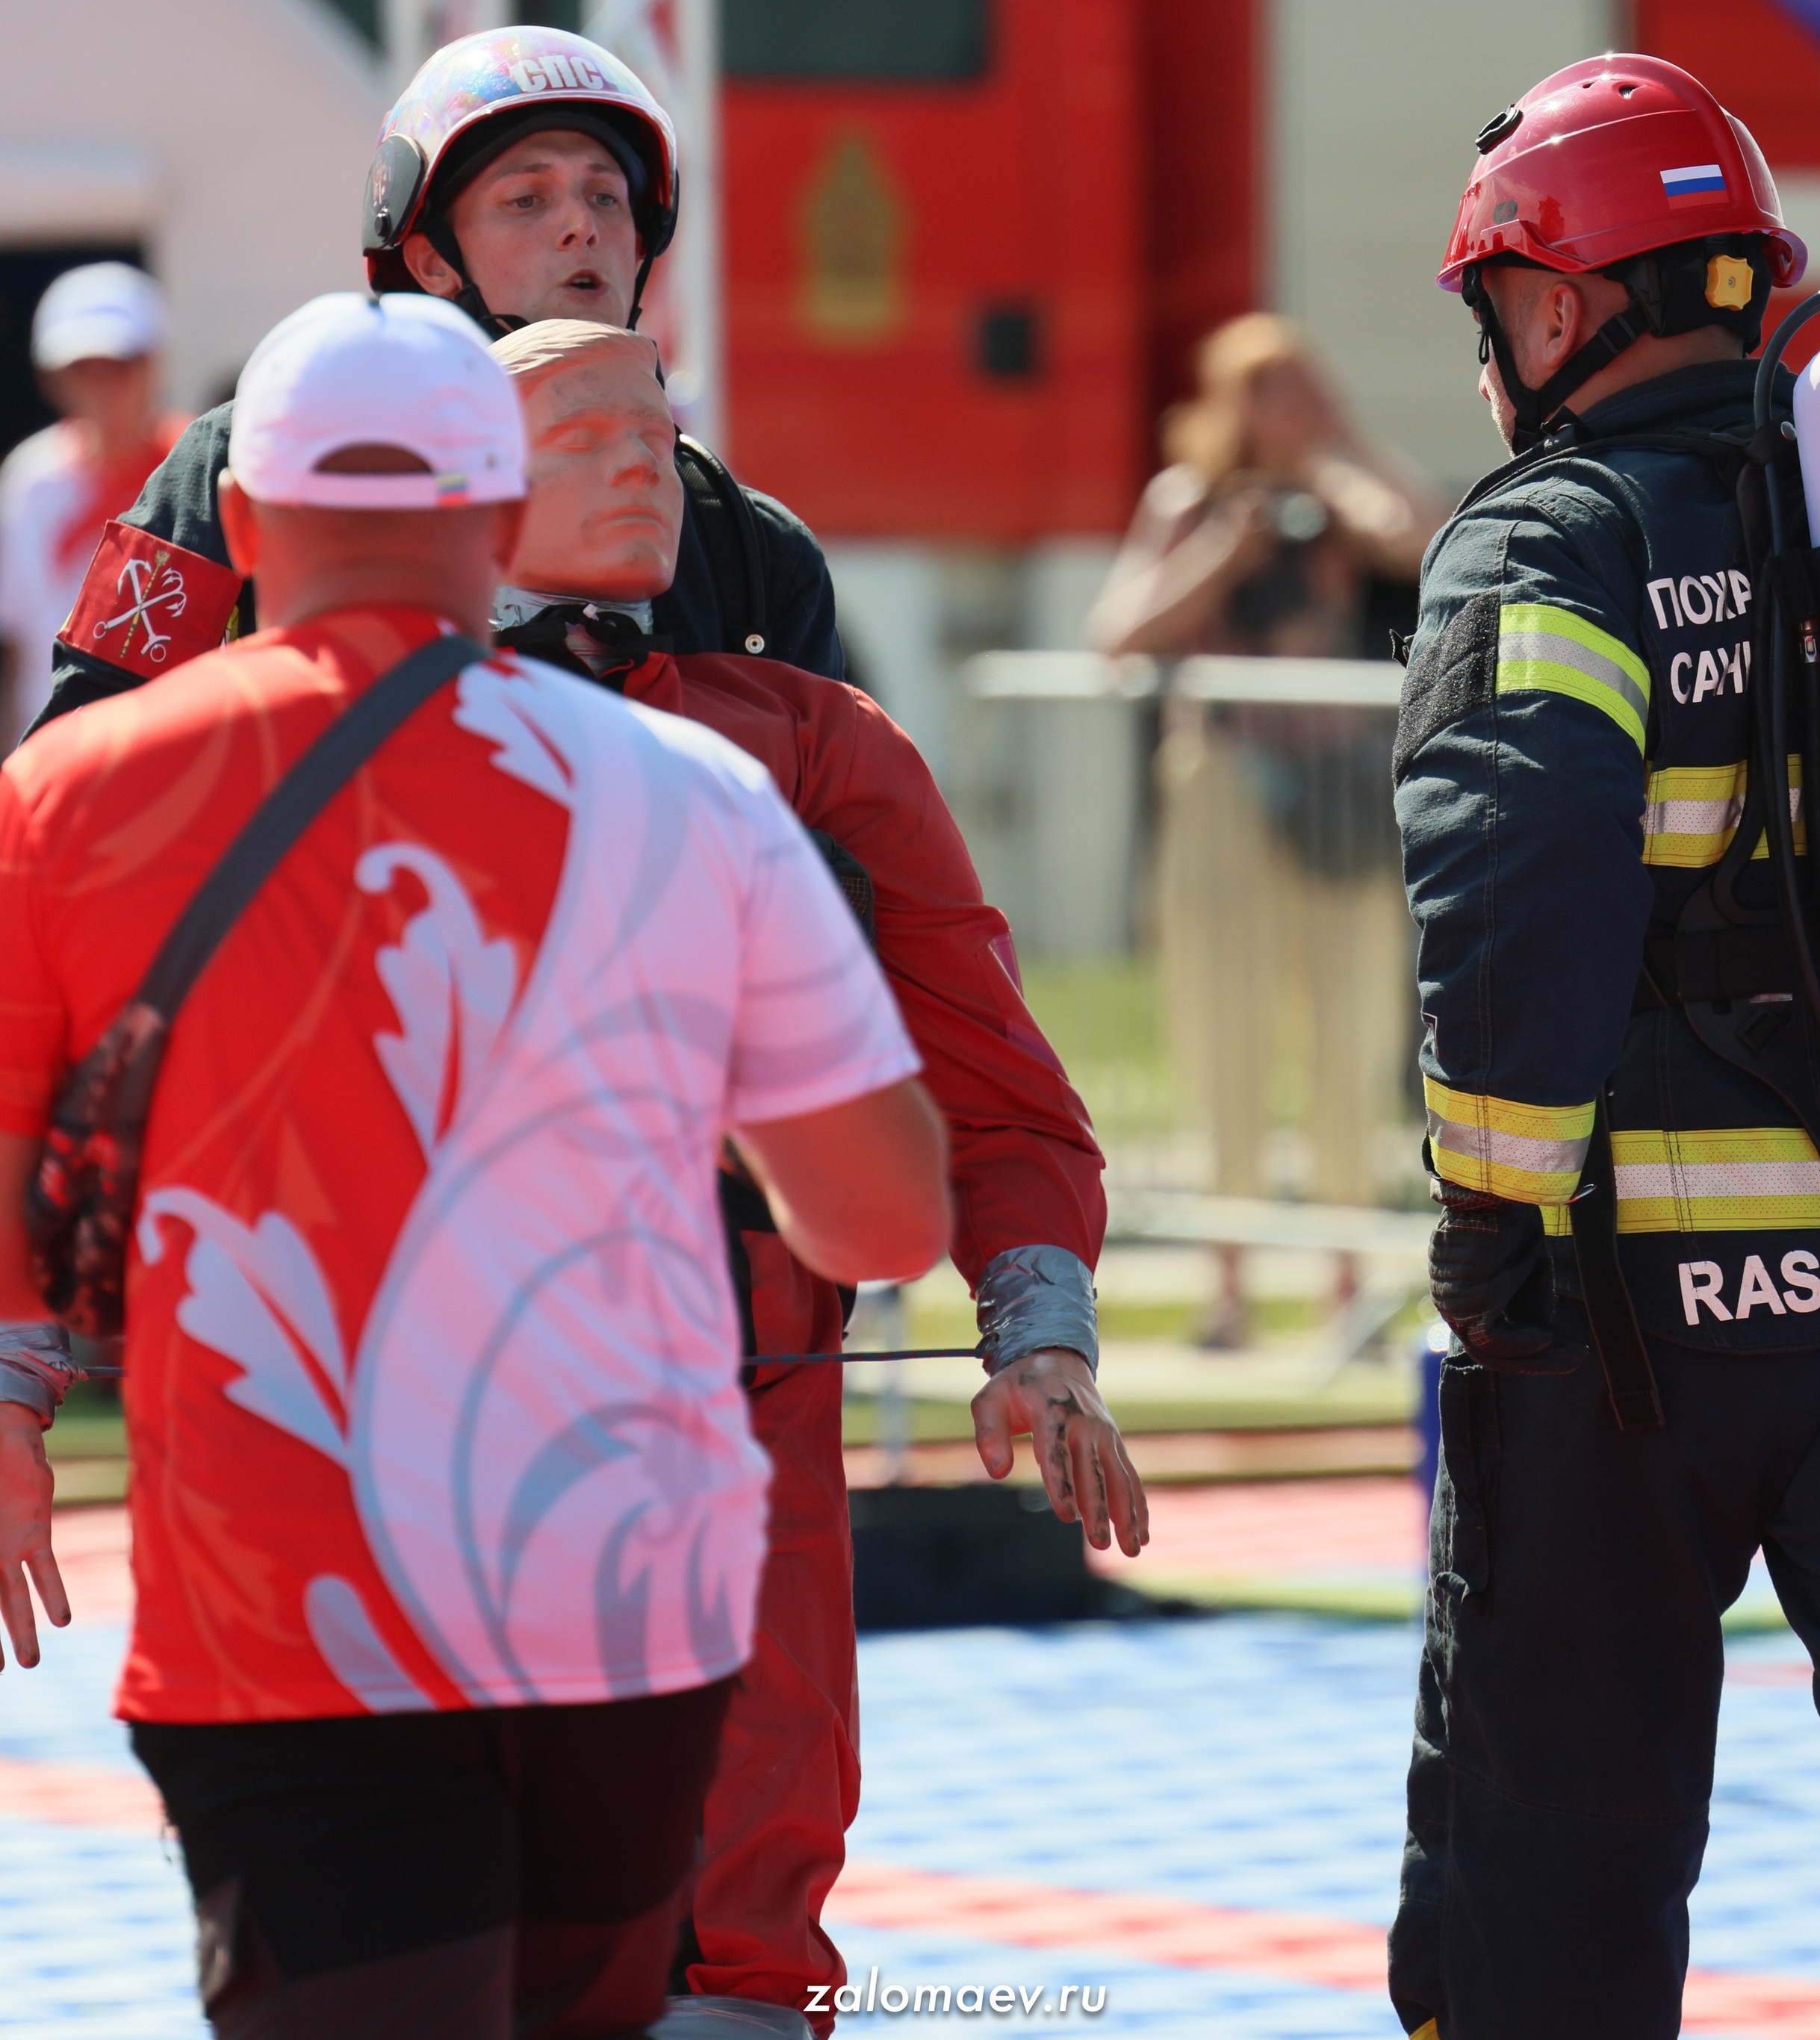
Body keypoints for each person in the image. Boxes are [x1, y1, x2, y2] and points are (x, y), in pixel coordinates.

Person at [0, 290, 949, 2040]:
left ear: (252, 526)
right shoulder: (694, 790)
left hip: (270, 1596)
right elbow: (883, 1216)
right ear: (502, 519)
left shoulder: (67, 795)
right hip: (619, 1594)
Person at [489, 315, 1147, 2038]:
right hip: (416, 1505)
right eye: (580, 425)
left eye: (656, 422)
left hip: (735, 1494)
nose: (643, 455)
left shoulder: (817, 746)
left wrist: (1040, 1330)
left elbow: (1001, 1103)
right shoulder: (317, 749)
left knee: (728, 1965)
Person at [1389, 52, 1820, 2039]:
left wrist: (1495, 1236)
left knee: (1550, 1874)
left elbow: (1517, 879)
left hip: (1619, 1331)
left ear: (1549, 299)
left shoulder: (1549, 542)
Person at [34, 25, 840, 738]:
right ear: (428, 261)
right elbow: (84, 765)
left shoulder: (748, 546)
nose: (582, 225)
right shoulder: (258, 451)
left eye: (607, 195)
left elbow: (844, 843)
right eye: (526, 198)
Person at [1090, 315, 1443, 1338]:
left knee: (1350, 1032)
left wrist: (1338, 457)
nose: (1288, 404)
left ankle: (1346, 1283)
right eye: (1267, 386)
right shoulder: (1189, 501)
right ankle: (1230, 1286)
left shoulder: (1340, 498)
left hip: (1338, 794)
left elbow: (1421, 538)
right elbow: (1118, 632)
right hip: (1225, 788)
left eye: (1302, 383)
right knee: (1225, 1034)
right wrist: (1222, 550)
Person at [0, 261, 183, 744]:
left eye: (119, 364)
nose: (102, 385)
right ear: (51, 377)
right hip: (54, 752)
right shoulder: (31, 479)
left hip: (175, 747)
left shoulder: (196, 466)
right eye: (82, 367)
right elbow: (15, 638)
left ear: (153, 364)